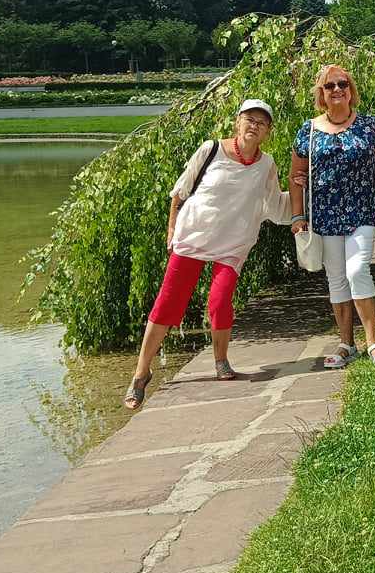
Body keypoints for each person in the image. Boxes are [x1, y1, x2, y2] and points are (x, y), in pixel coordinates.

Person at [124, 99, 291, 409]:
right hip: (194, 236)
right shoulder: (211, 149)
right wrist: (172, 229)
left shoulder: (266, 164)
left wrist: (304, 199)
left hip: (233, 243)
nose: (254, 125)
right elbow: (180, 191)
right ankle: (141, 373)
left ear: (268, 131)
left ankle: (221, 361)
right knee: (169, 302)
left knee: (220, 298)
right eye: (249, 119)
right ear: (237, 122)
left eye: (261, 122)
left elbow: (274, 205)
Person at [291, 64, 375, 367]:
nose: (337, 89)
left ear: (351, 91)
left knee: (356, 270)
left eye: (343, 84)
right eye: (330, 86)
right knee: (336, 279)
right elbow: (296, 175)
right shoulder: (308, 130)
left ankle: (373, 342)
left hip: (361, 211)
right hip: (324, 216)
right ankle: (345, 343)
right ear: (321, 94)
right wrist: (297, 216)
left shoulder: (369, 126)